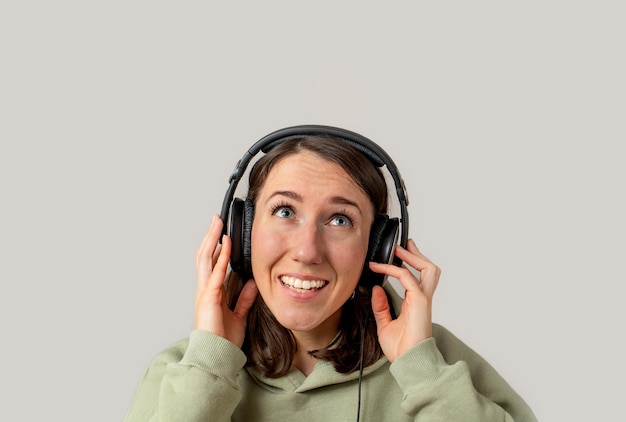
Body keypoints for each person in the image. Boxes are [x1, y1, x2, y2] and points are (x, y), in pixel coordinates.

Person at [123, 125, 537, 421]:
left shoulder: (434, 362)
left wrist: (422, 373)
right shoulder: (181, 372)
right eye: (285, 211)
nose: (307, 251)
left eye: (339, 220)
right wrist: (209, 367)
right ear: (242, 232)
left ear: (378, 245)